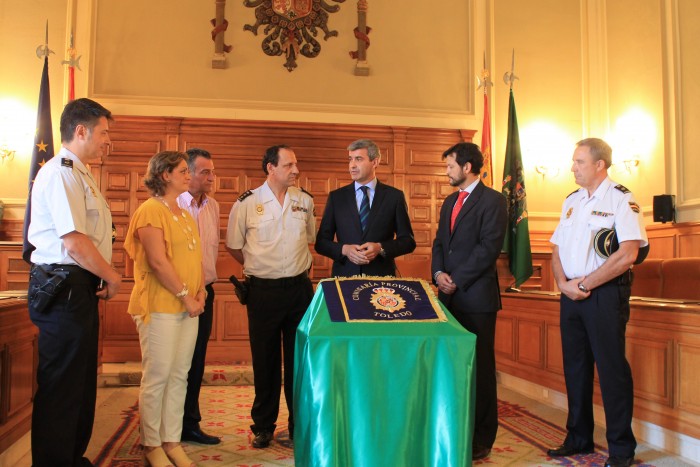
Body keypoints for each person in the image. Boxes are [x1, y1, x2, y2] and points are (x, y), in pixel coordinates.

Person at [26, 97, 122, 467]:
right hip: (63, 286)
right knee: (62, 385)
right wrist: (111, 276)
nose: (107, 141)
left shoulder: (80, 173)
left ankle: (72, 457)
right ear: (80, 131)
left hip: (77, 288)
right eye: (103, 133)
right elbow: (75, 241)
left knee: (80, 383)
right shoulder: (62, 171)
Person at [547, 138, 646, 467]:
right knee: (575, 368)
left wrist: (585, 283)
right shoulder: (571, 201)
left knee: (611, 369)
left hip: (604, 294)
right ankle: (578, 437)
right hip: (571, 294)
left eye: (579, 162)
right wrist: (563, 284)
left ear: (599, 164)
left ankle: (621, 448)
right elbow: (557, 248)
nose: (572, 167)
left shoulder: (621, 199)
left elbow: (629, 253)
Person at [225, 144, 315, 448]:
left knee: (298, 362)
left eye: (296, 164)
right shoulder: (247, 203)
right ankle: (263, 426)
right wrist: (259, 267)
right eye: (289, 165)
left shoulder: (304, 201)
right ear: (271, 169)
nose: (295, 170)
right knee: (264, 362)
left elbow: (310, 239)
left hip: (300, 291)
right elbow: (234, 245)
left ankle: (297, 425)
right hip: (262, 291)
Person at [124, 151, 206, 467]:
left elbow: (195, 259)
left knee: (179, 375)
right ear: (164, 175)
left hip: (188, 307)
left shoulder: (183, 213)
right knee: (158, 375)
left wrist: (199, 293)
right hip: (159, 306)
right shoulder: (149, 211)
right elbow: (158, 261)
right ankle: (151, 444)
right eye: (183, 171)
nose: (189, 175)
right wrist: (186, 296)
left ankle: (171, 440)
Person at [431, 142, 507, 462]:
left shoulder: (494, 201)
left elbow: (488, 249)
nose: (446, 171)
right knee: (452, 367)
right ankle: (456, 427)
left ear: (467, 168)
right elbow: (439, 243)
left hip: (476, 298)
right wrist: (437, 273)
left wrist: (456, 279)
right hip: (447, 297)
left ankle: (482, 436)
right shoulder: (449, 201)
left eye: (450, 166)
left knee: (480, 369)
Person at [315, 138, 415, 276]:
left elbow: (408, 242)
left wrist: (380, 248)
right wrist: (344, 250)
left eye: (358, 159)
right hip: (345, 278)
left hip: (382, 279)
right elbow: (321, 243)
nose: (352, 165)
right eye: (350, 159)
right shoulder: (336, 197)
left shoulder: (394, 197)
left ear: (375, 162)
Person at [177, 148, 222, 445]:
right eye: (205, 172)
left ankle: (189, 424)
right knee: (176, 363)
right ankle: (168, 424)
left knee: (196, 361)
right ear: (188, 173)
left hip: (206, 291)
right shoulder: (171, 205)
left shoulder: (213, 206)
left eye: (212, 172)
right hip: (177, 295)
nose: (211, 177)